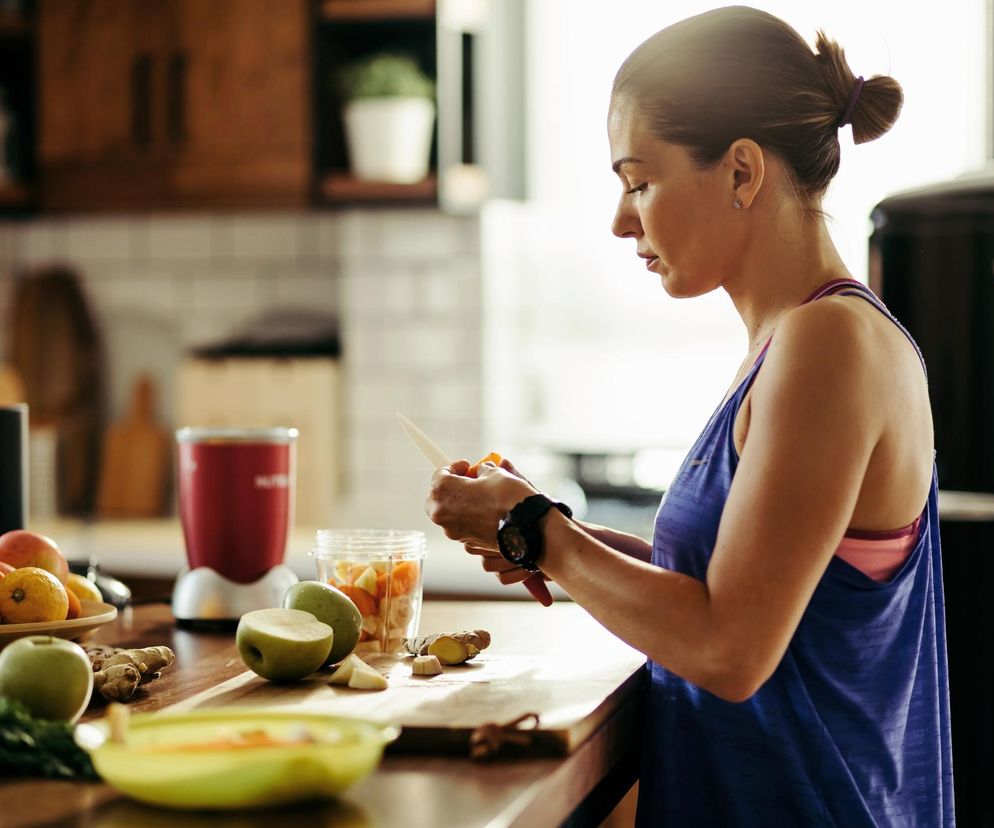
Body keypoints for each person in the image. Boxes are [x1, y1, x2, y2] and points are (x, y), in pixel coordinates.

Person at [425, 6, 953, 826]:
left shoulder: (829, 345)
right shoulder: (795, 342)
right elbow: (737, 584)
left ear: (743, 172)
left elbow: (731, 649)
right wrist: (545, 529)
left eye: (639, 181)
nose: (620, 218)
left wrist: (540, 533)